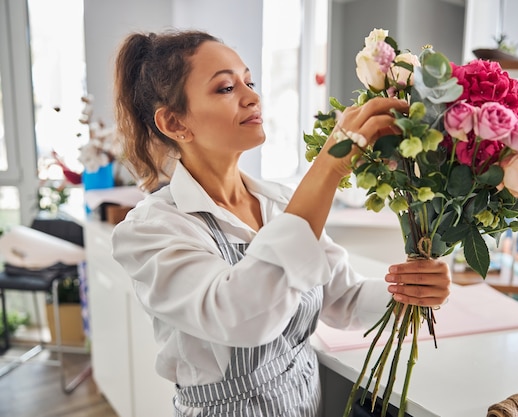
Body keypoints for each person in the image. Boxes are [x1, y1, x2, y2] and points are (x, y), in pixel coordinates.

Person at [109, 29, 451, 417]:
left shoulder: (280, 203)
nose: (252, 96)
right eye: (225, 88)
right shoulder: (150, 230)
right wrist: (330, 165)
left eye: (249, 81)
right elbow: (240, 316)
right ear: (174, 122)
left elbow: (343, 299)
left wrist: (409, 290)